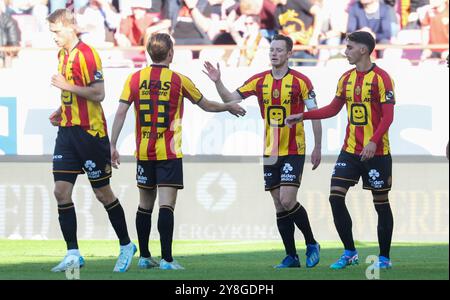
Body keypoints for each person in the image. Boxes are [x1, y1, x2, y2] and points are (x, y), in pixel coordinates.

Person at [110, 33, 246, 270]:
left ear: (148, 52)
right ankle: (167, 260)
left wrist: (112, 144)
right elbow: (206, 105)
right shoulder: (179, 80)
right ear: (170, 53)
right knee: (166, 206)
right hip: (169, 154)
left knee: (144, 205)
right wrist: (228, 107)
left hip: (144, 153)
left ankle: (143, 256)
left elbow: (120, 112)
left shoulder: (134, 79)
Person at [203, 34, 322, 268]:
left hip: (293, 149)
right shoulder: (259, 81)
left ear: (289, 53)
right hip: (270, 151)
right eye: (271, 50)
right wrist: (218, 81)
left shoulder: (301, 81)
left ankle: (311, 243)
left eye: (279, 50)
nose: (274, 53)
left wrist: (318, 146)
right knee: (278, 204)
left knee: (288, 200)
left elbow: (315, 114)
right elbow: (230, 98)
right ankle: (291, 256)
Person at [286, 31, 396, 270]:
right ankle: (350, 252)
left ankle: (384, 257)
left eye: (349, 47)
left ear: (363, 50)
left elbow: (388, 118)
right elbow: (332, 109)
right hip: (350, 150)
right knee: (335, 196)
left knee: (381, 202)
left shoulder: (382, 79)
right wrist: (302, 116)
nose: (345, 51)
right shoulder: (345, 78)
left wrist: (374, 141)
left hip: (376, 152)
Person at [47, 8, 136, 273]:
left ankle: (125, 245)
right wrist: (63, 110)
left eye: (56, 31)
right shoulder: (62, 54)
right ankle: (73, 253)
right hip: (67, 131)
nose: (53, 37)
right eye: (51, 31)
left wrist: (67, 87)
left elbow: (99, 94)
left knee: (102, 193)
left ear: (71, 27)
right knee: (60, 191)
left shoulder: (88, 54)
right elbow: (73, 92)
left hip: (90, 134)